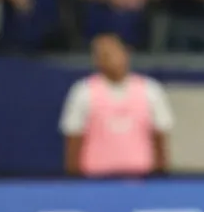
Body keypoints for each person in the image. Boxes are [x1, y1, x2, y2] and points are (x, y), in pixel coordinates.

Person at [60, 34, 174, 177]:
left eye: (113, 53)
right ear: (96, 61)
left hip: (141, 178)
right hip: (96, 178)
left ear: (126, 53)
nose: (110, 59)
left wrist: (160, 176)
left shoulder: (150, 90)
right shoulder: (83, 91)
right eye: (103, 55)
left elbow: (159, 137)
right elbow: (73, 139)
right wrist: (74, 179)